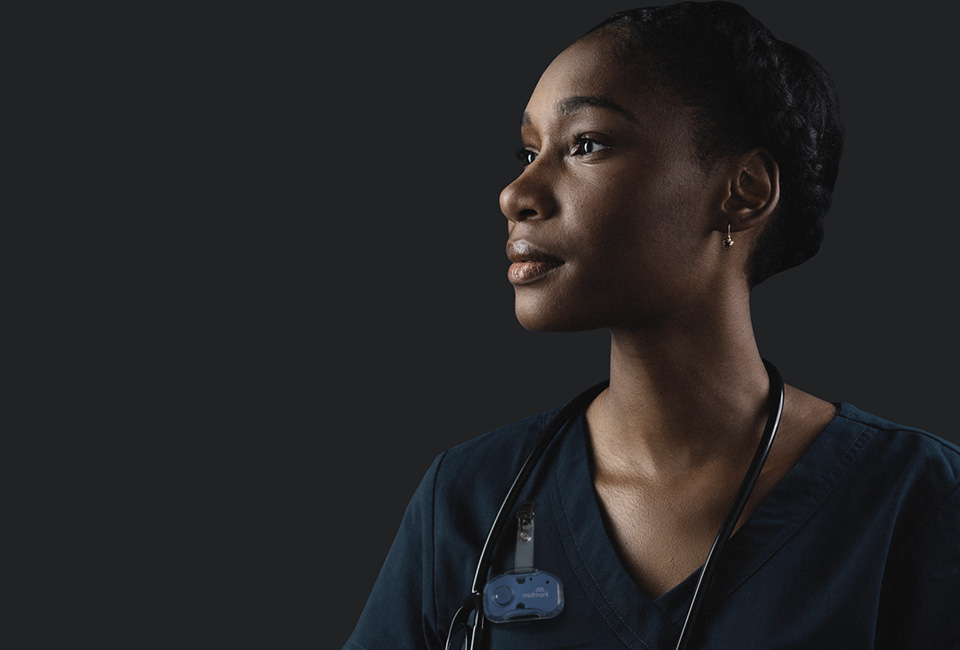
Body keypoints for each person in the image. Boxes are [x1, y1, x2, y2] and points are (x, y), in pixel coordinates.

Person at [344, 2, 960, 648]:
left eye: (586, 144)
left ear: (743, 190)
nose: (515, 193)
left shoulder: (917, 503)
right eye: (528, 150)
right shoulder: (466, 501)